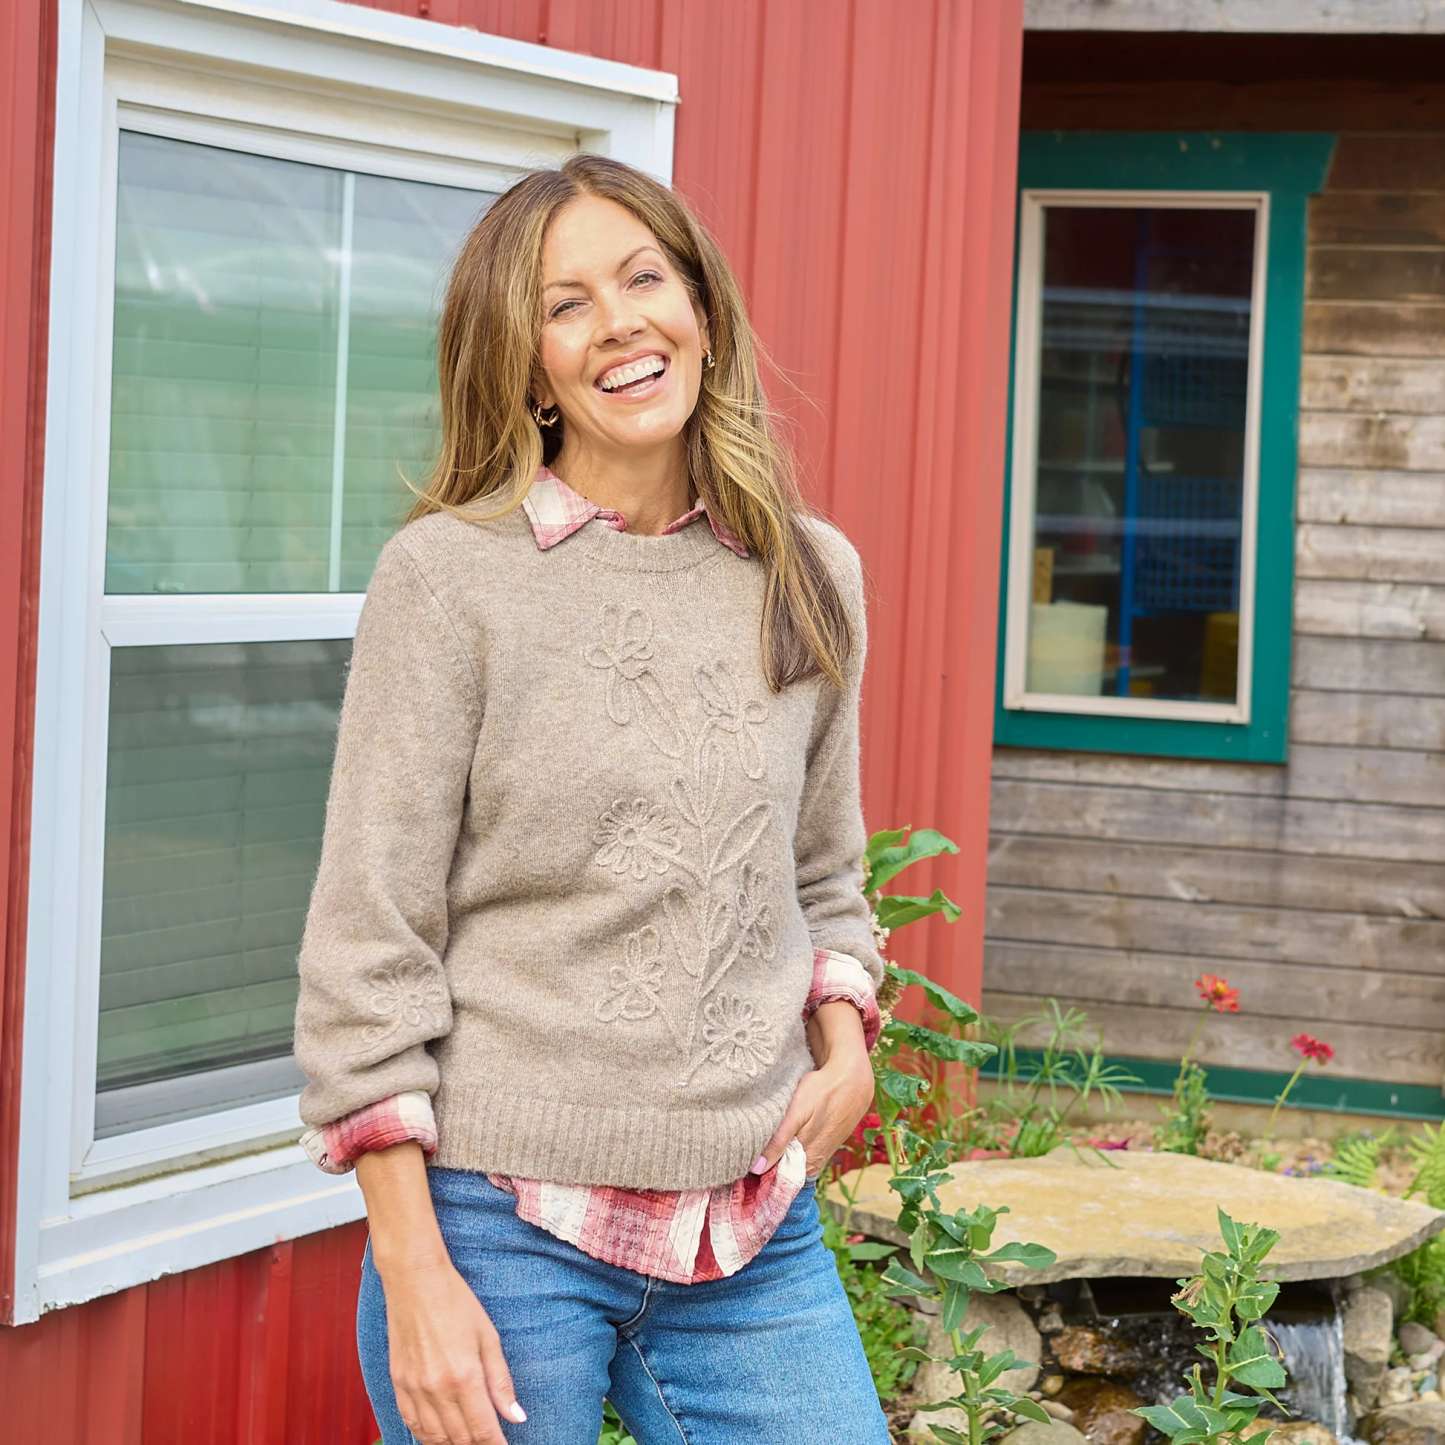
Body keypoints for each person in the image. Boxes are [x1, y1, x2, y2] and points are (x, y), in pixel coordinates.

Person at [294, 153, 891, 1445]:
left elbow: (824, 875)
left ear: (700, 308)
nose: (620, 321)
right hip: (502, 1226)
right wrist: (413, 1272)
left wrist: (843, 1046)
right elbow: (366, 952)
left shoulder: (811, 573)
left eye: (643, 277)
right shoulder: (451, 581)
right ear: (524, 362)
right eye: (567, 304)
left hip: (748, 1222)